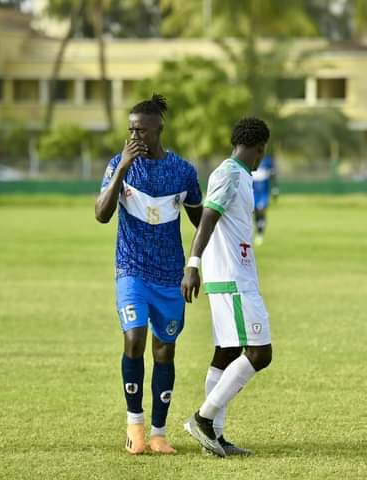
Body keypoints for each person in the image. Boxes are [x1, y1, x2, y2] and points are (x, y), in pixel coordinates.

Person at [95, 94, 203, 455]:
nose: (133, 135)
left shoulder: (183, 172)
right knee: (134, 338)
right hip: (131, 270)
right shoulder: (119, 164)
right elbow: (101, 213)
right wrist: (122, 168)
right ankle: (135, 425)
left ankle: (159, 433)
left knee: (164, 350)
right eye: (130, 130)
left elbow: (201, 223)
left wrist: (195, 265)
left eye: (140, 129)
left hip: (170, 276)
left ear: (159, 129)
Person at [181, 117, 273, 457]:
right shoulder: (231, 174)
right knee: (260, 353)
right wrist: (192, 265)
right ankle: (203, 420)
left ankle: (214, 438)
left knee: (228, 353)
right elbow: (207, 219)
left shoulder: (240, 176)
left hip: (235, 276)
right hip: (234, 280)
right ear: (260, 148)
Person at [252, 151, 278, 246]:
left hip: (264, 191)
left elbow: (273, 174)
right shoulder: (251, 158)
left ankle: (260, 233)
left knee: (261, 210)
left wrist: (275, 189)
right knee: (255, 211)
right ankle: (257, 229)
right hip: (253, 191)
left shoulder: (268, 160)